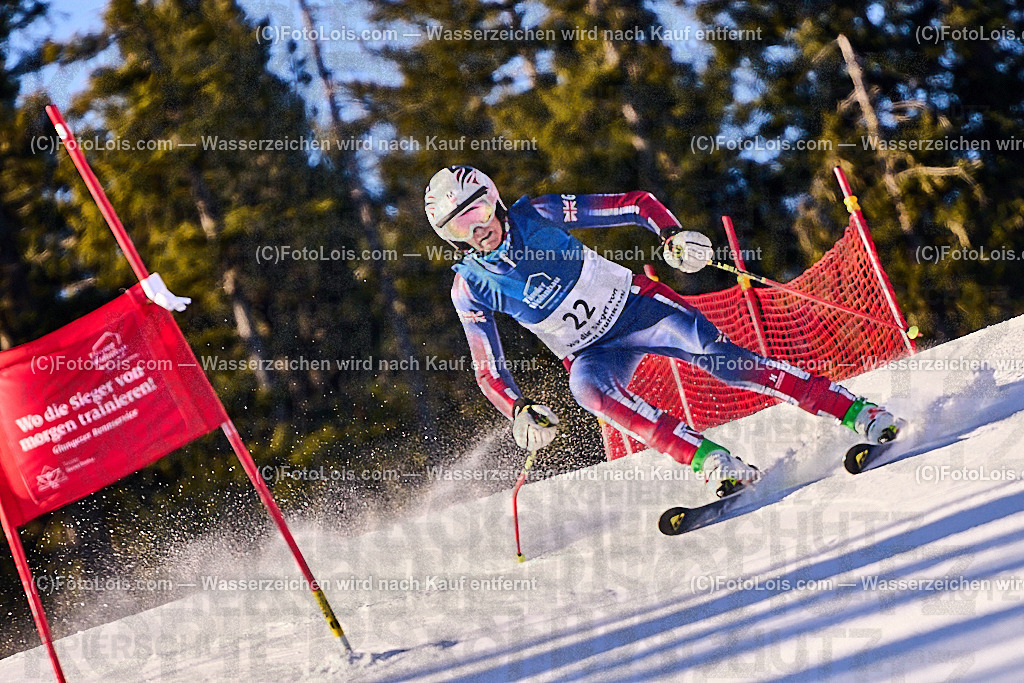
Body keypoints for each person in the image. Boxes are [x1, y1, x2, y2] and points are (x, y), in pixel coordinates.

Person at [424, 165, 900, 495]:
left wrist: (671, 235)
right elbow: (488, 370)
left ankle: (857, 410)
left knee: (731, 366)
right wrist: (519, 409)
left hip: (638, 310)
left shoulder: (539, 214)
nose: (478, 231)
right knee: (588, 391)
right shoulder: (470, 287)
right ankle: (714, 462)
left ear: (495, 201)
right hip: (592, 353)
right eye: (460, 229)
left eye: (480, 213)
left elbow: (635, 204)